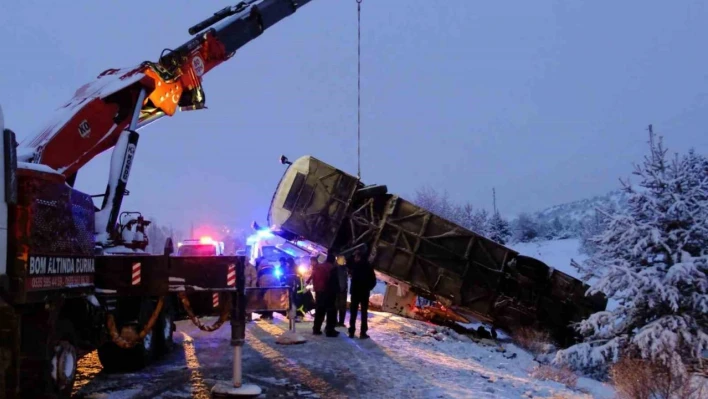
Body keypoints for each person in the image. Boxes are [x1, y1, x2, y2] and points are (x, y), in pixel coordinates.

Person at [307, 255, 340, 337]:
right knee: (331, 311)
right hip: (328, 292)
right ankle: (330, 330)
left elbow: (314, 278)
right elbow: (333, 281)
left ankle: (316, 329)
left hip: (319, 292)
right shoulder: (331, 268)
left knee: (319, 311)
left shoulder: (319, 267)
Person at [347, 249, 377, 339]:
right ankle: (363, 332)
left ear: (359, 257)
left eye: (356, 256)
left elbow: (348, 260)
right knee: (364, 313)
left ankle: (351, 331)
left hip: (355, 293)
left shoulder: (355, 266)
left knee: (353, 312)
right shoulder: (368, 267)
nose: (355, 258)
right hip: (364, 293)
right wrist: (368, 288)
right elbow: (373, 281)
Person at [335, 256, 349, 327]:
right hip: (341, 290)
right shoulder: (343, 269)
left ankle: (339, 322)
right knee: (340, 307)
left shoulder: (341, 269)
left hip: (340, 290)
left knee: (339, 307)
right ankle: (339, 322)